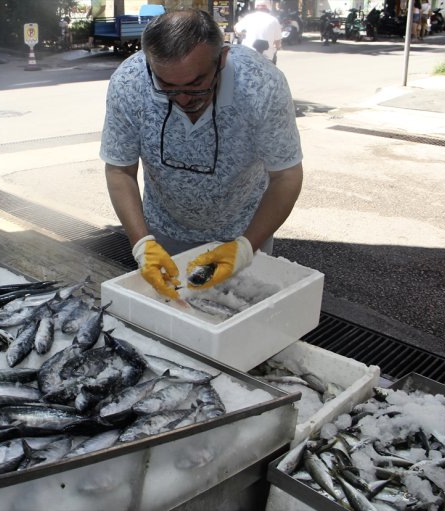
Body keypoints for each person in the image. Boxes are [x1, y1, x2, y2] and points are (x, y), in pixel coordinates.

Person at [101, 9, 303, 300]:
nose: (183, 99)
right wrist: (142, 243)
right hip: (163, 231)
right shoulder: (130, 83)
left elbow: (286, 175)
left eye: (196, 84)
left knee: (241, 318)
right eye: (168, 86)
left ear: (221, 58)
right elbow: (120, 170)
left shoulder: (262, 85)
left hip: (245, 231)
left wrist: (246, 248)